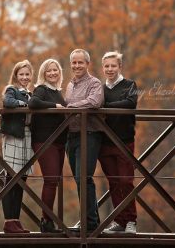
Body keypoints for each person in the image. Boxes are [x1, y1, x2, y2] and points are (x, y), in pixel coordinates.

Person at [98, 51, 138, 234]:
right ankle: (120, 222)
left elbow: (130, 103)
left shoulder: (130, 85)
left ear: (120, 67)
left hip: (124, 141)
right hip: (104, 142)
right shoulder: (100, 88)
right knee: (113, 183)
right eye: (106, 66)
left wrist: (105, 107)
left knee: (126, 181)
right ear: (103, 68)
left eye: (113, 65)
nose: (110, 69)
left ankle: (131, 221)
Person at [65, 49, 104, 232]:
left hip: (88, 135)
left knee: (84, 178)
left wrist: (71, 106)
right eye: (74, 62)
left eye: (80, 62)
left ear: (87, 64)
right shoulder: (70, 85)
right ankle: (89, 220)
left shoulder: (95, 83)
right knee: (78, 179)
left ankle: (90, 223)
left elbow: (95, 102)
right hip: (71, 137)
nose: (77, 66)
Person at [28, 59, 67, 233]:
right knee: (50, 180)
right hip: (44, 141)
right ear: (43, 73)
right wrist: (55, 106)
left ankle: (49, 220)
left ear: (59, 72)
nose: (52, 73)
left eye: (55, 70)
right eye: (48, 71)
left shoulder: (58, 92)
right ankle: (46, 222)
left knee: (55, 181)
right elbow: (33, 103)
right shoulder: (41, 89)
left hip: (59, 141)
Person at [0, 60, 34, 233]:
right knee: (11, 179)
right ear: (16, 75)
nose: (25, 77)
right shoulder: (11, 90)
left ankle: (15, 219)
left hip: (27, 137)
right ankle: (8, 221)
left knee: (21, 180)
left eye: (27, 74)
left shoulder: (31, 93)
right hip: (14, 137)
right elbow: (8, 102)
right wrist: (25, 105)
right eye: (21, 74)